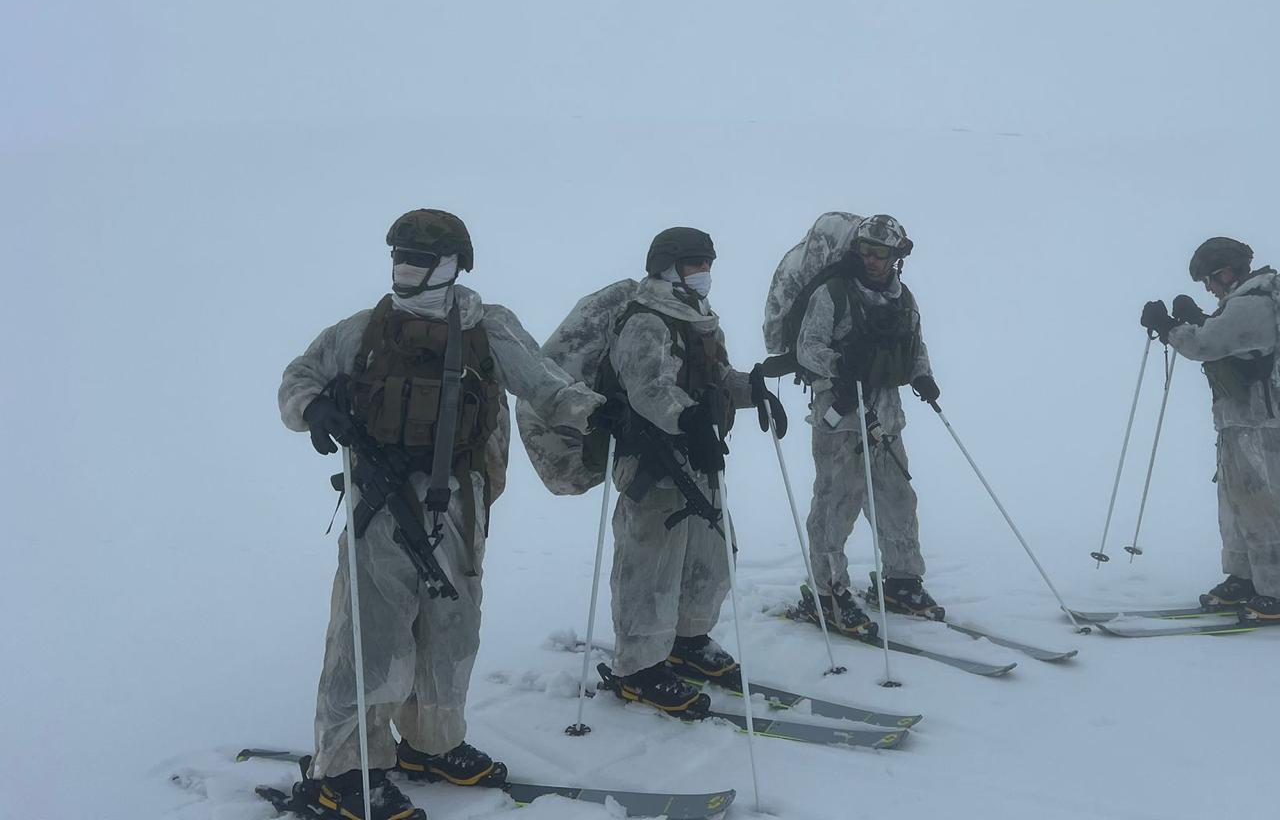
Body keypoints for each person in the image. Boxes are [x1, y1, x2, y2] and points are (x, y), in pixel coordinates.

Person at [279, 209, 604, 820]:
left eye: (421, 258)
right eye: (399, 255)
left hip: (461, 501)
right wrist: (315, 408)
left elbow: (547, 385)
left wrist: (597, 418)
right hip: (381, 504)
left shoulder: (488, 328)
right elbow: (297, 378)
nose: (405, 268)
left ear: (455, 264)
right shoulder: (364, 330)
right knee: (371, 635)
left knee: (451, 632)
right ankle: (346, 770)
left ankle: (432, 744)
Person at [597, 227, 754, 718]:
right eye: (693, 264)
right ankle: (639, 667)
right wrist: (687, 420)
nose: (704, 273)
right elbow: (648, 388)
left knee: (712, 550)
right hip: (653, 461)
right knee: (651, 564)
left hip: (700, 456)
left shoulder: (702, 320)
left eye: (707, 263)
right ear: (666, 267)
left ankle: (689, 638)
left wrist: (755, 390)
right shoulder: (646, 320)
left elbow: (717, 376)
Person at [1140, 236, 1280, 623]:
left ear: (1226, 271)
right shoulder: (1239, 306)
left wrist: (1173, 328)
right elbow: (1226, 342)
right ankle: (1246, 578)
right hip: (1238, 424)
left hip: (1261, 426)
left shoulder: (1254, 303)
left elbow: (1209, 345)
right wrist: (1195, 320)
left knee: (1267, 507)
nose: (1207, 287)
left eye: (1208, 279)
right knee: (1237, 506)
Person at [793, 214, 941, 635]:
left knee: (897, 498)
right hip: (840, 415)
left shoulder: (902, 297)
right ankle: (828, 592)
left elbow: (914, 343)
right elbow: (808, 347)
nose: (873, 260)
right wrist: (841, 364)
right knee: (836, 502)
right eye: (866, 251)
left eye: (882, 253)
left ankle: (902, 581)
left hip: (886, 414)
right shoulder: (832, 293)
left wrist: (921, 374)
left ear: (897, 257)